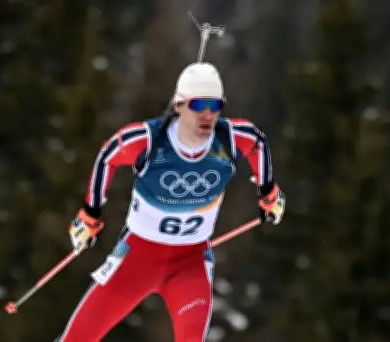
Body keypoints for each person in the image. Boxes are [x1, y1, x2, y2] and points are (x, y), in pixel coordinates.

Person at [55, 62, 286, 341]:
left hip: (190, 263)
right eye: (198, 104)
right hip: (136, 258)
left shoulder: (231, 139)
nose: (208, 114)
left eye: (215, 105)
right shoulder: (149, 140)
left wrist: (268, 193)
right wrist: (90, 214)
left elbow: (258, 142)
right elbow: (109, 154)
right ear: (178, 105)